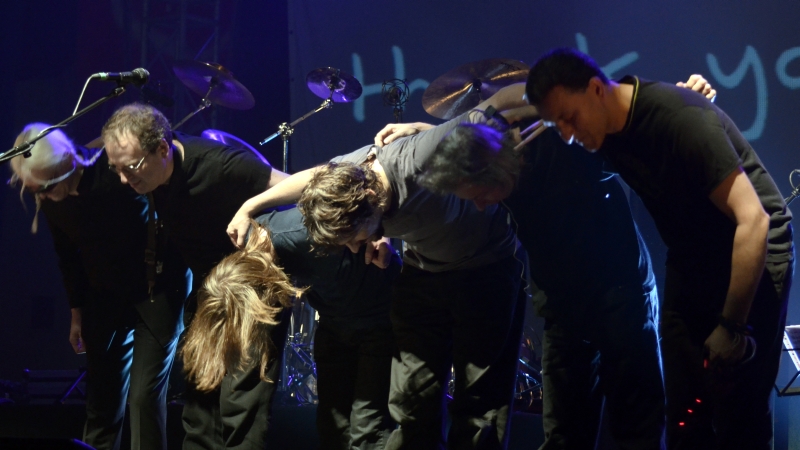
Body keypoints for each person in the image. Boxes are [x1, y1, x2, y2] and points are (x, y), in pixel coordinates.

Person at [373, 76, 717, 450]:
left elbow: (625, 119)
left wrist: (685, 98)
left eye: (481, 195)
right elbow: (473, 136)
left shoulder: (567, 146)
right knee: (562, 435)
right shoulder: (493, 154)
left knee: (636, 428)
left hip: (620, 296)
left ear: (501, 171)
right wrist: (426, 130)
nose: (480, 205)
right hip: (562, 307)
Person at [227, 84, 530, 450]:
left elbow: (496, 103)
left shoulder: (421, 155)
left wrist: (553, 95)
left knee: (480, 408)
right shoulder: (354, 171)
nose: (356, 247)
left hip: (486, 270)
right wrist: (249, 207)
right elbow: (311, 177)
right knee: (412, 401)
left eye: (355, 237)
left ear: (371, 199)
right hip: (424, 273)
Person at [524, 48, 793, 450]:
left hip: (753, 250)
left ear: (597, 89)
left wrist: (731, 327)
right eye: (556, 123)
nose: (566, 133)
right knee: (684, 409)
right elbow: (507, 102)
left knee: (741, 406)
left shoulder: (679, 117)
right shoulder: (604, 130)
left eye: (569, 118)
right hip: (693, 257)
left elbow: (754, 221)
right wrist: (427, 131)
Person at [101, 103, 288, 450]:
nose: (126, 179)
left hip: (251, 292)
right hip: (209, 291)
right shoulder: (152, 175)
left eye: (131, 168)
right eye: (117, 169)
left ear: (162, 149)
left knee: (240, 409)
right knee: (200, 410)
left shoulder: (220, 165)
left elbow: (294, 187)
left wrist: (258, 222)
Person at [8, 124, 190, 450]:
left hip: (159, 287)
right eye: (36, 191)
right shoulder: (52, 199)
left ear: (65, 168)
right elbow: (68, 256)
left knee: (144, 398)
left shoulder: (114, 173)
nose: (42, 198)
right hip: (103, 296)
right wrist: (77, 312)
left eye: (45, 188)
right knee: (102, 401)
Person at [253, 207, 400, 450]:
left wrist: (382, 233)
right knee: (332, 426)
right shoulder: (288, 232)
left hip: (380, 325)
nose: (356, 246)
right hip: (333, 326)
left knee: (369, 428)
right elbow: (252, 228)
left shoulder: (369, 219)